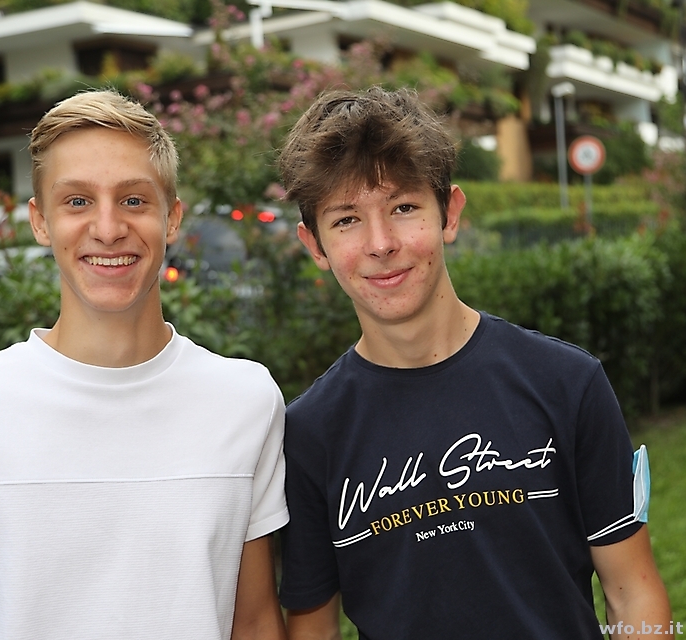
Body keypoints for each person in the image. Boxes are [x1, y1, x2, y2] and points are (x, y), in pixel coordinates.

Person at [0, 90, 288, 640]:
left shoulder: (245, 400)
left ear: (172, 218)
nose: (107, 228)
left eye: (133, 200)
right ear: (40, 222)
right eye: (77, 201)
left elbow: (256, 623)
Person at [276, 86, 671, 640]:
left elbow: (632, 593)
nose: (381, 243)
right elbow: (312, 630)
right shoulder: (309, 434)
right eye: (346, 220)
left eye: (403, 208)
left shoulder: (566, 383)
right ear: (315, 245)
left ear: (450, 213)